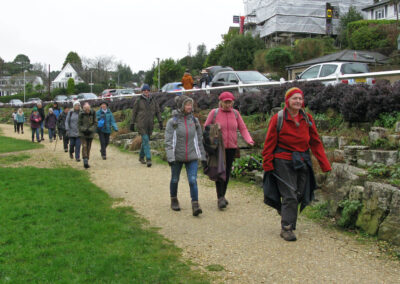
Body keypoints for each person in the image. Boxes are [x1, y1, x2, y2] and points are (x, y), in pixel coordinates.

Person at [262, 87, 331, 242]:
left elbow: (315, 142)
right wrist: (267, 164)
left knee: (300, 192)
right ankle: (286, 228)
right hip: (282, 161)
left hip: (302, 160)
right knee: (290, 194)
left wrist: (324, 164)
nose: (298, 101)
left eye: (300, 99)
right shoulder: (278, 118)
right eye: (295, 98)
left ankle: (287, 213)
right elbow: (269, 143)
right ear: (287, 101)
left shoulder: (307, 118)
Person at [204, 92, 254, 209]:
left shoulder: (236, 114)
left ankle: (222, 195)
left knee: (226, 172)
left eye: (230, 102)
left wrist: (249, 139)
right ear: (221, 102)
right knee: (219, 171)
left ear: (233, 102)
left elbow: (242, 128)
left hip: (231, 147)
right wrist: (215, 129)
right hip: (218, 148)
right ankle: (220, 197)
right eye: (225, 102)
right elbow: (206, 127)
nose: (228, 104)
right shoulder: (214, 113)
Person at [165, 95, 207, 216]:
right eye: (187, 104)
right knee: (174, 179)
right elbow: (168, 141)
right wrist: (170, 157)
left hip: (192, 156)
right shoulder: (172, 122)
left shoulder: (195, 121)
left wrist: (203, 157)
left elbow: (199, 140)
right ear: (181, 106)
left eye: (191, 105)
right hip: (177, 157)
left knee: (193, 180)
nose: (190, 107)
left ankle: (195, 204)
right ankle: (174, 199)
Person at [130, 84, 163, 167]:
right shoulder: (138, 100)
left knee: (146, 140)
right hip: (141, 123)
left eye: (147, 90)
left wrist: (160, 121)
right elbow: (134, 112)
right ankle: (148, 159)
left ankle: (141, 157)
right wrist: (132, 123)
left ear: (149, 91)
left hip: (150, 124)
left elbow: (158, 111)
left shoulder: (153, 100)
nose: (146, 92)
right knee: (145, 139)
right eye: (144, 90)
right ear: (142, 91)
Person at [78, 102, 97, 169]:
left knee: (88, 147)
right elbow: (79, 124)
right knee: (84, 146)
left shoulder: (93, 113)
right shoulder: (81, 114)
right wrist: (84, 129)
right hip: (83, 133)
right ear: (84, 109)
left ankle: (87, 159)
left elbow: (95, 123)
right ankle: (85, 159)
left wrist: (90, 129)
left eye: (88, 109)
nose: (87, 111)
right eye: (86, 109)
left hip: (90, 133)